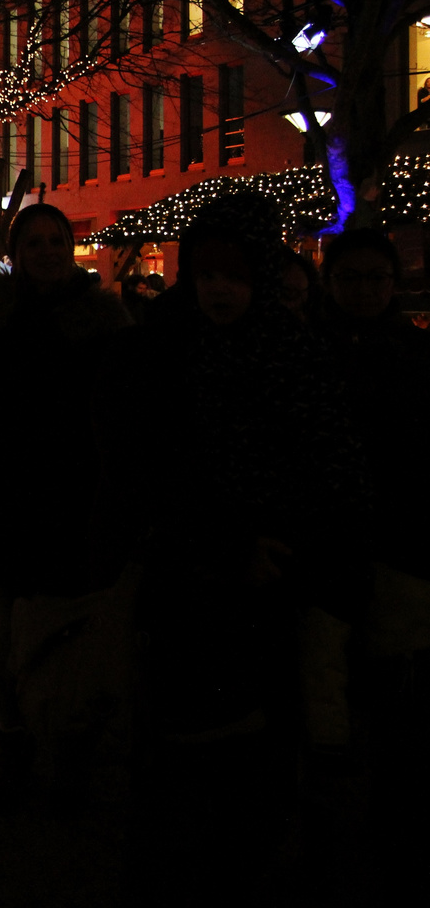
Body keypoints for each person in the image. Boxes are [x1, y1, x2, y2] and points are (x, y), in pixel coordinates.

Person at [121, 194, 368, 905]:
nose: (219, 289)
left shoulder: (294, 356)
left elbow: (331, 470)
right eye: (205, 275)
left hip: (276, 586)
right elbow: (150, 472)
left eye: (233, 275)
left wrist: (298, 554)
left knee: (259, 760)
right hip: (191, 587)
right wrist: (218, 546)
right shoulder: (168, 354)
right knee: (187, 757)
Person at [0, 202, 133, 809]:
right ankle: (16, 753)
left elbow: (124, 412)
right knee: (2, 639)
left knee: (68, 635)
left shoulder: (103, 319)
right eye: (36, 243)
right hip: (5, 495)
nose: (48, 252)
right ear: (20, 254)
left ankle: (72, 756)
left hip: (72, 499)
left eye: (57, 241)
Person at [318, 228, 430, 893]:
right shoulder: (309, 355)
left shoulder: (414, 354)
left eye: (375, 279)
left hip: (397, 546)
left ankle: (391, 834)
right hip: (328, 546)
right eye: (351, 278)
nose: (364, 291)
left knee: (398, 701)